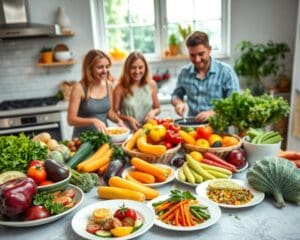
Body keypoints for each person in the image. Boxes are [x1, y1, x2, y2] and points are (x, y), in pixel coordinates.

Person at [171, 31, 240, 122]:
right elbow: (176, 95)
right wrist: (179, 103)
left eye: (201, 54)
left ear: (209, 49)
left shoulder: (226, 72)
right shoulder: (184, 72)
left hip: (217, 129)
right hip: (192, 129)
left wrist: (214, 112)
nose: (197, 59)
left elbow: (234, 104)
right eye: (192, 55)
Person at [68, 49, 125, 137]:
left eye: (107, 66)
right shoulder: (78, 87)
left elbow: (109, 112)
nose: (105, 71)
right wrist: (93, 121)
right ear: (90, 68)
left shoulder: (108, 85)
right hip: (82, 140)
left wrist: (118, 120)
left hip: (103, 138)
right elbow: (71, 120)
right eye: (100, 67)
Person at [113, 52, 160, 131]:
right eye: (133, 68)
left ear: (145, 68)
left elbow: (157, 108)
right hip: (128, 132)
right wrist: (128, 119)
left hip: (149, 130)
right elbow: (113, 113)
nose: (137, 71)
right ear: (127, 69)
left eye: (140, 67)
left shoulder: (152, 84)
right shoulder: (120, 87)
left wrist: (153, 112)